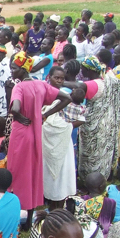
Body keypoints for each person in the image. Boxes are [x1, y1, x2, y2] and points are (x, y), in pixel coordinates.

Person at [6, 52, 71, 227]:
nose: (11, 71)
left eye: (14, 68)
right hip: (35, 133)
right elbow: (67, 97)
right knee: (33, 172)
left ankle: (13, 214)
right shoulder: (41, 85)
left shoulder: (18, 87)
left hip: (20, 134)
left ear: (22, 69)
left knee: (16, 172)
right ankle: (29, 218)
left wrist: (17, 115)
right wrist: (44, 114)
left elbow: (16, 106)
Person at [66, 56, 120, 181]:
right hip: (107, 123)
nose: (81, 72)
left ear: (89, 70)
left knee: (92, 155)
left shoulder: (95, 84)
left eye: (83, 69)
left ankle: (90, 181)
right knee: (102, 153)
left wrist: (59, 82)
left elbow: (80, 85)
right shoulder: (108, 80)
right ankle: (101, 179)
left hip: (94, 126)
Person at [42, 66, 77, 207]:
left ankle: (58, 198)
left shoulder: (65, 96)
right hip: (45, 140)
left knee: (61, 171)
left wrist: (66, 127)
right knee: (46, 171)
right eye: (56, 78)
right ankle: (47, 197)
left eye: (62, 79)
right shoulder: (43, 93)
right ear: (49, 77)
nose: (59, 81)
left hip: (61, 140)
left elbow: (78, 118)